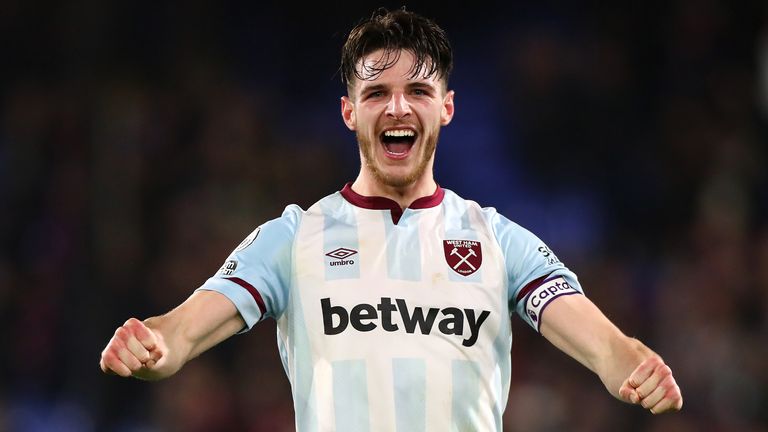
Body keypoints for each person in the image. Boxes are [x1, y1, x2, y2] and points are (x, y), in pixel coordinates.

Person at [100, 7, 683, 431]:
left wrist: (635, 365)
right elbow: (179, 333)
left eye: (418, 91)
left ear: (447, 108)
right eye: (377, 92)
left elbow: (606, 347)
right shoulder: (292, 238)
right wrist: (150, 346)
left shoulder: (499, 241)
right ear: (350, 112)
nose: (398, 107)